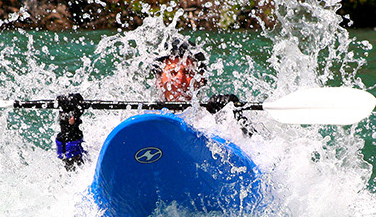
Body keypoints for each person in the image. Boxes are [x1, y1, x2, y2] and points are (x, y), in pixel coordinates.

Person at [55, 37, 248, 170]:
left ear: (201, 81)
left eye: (188, 73)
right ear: (158, 79)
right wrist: (69, 129)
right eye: (172, 73)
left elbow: (260, 152)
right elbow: (78, 170)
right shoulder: (134, 120)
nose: (179, 81)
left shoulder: (214, 119)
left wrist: (237, 113)